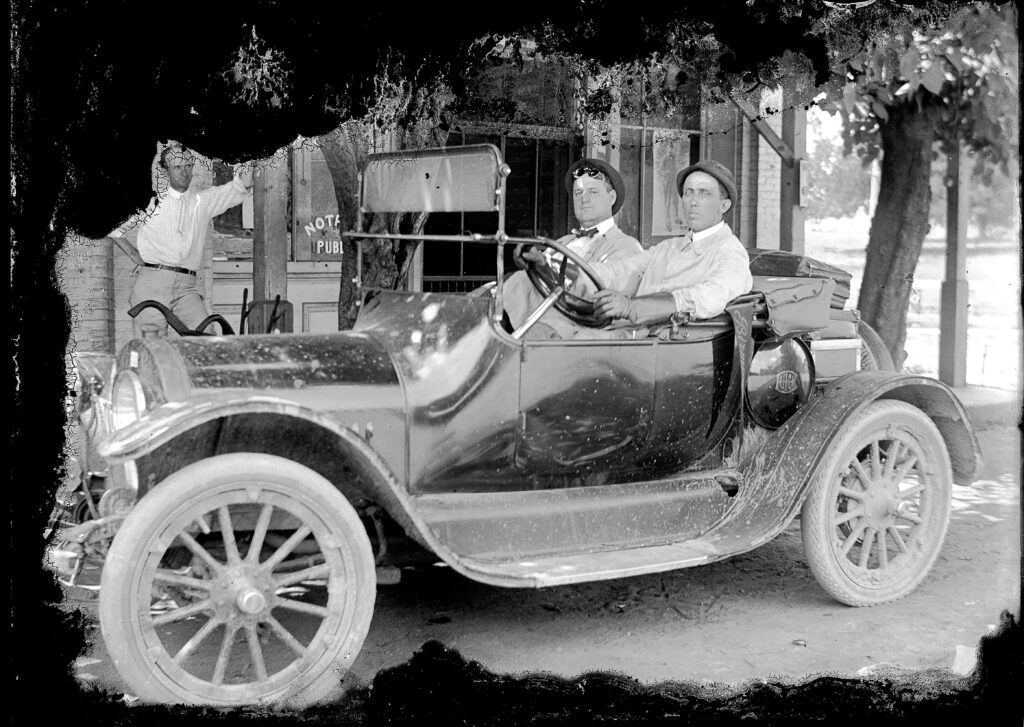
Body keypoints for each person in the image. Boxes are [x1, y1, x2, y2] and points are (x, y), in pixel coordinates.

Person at [107, 141, 254, 337]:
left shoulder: (203, 201)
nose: (184, 172)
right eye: (177, 167)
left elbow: (243, 184)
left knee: (206, 339)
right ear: (164, 170)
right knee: (152, 346)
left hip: (187, 288)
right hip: (153, 285)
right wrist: (134, 255)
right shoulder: (149, 202)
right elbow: (113, 228)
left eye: (188, 166)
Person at [586, 159, 753, 328]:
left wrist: (632, 307)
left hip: (673, 345)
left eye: (704, 193)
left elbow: (710, 296)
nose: (693, 201)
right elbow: (622, 270)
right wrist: (574, 274)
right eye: (688, 193)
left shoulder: (731, 253)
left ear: (724, 205)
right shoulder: (668, 247)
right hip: (636, 336)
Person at [502, 158, 642, 339]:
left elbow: (601, 293)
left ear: (612, 197)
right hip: (533, 319)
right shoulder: (562, 243)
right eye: (578, 193)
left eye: (593, 191)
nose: (584, 198)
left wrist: (547, 266)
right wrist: (531, 260)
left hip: (575, 331)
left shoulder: (627, 247)